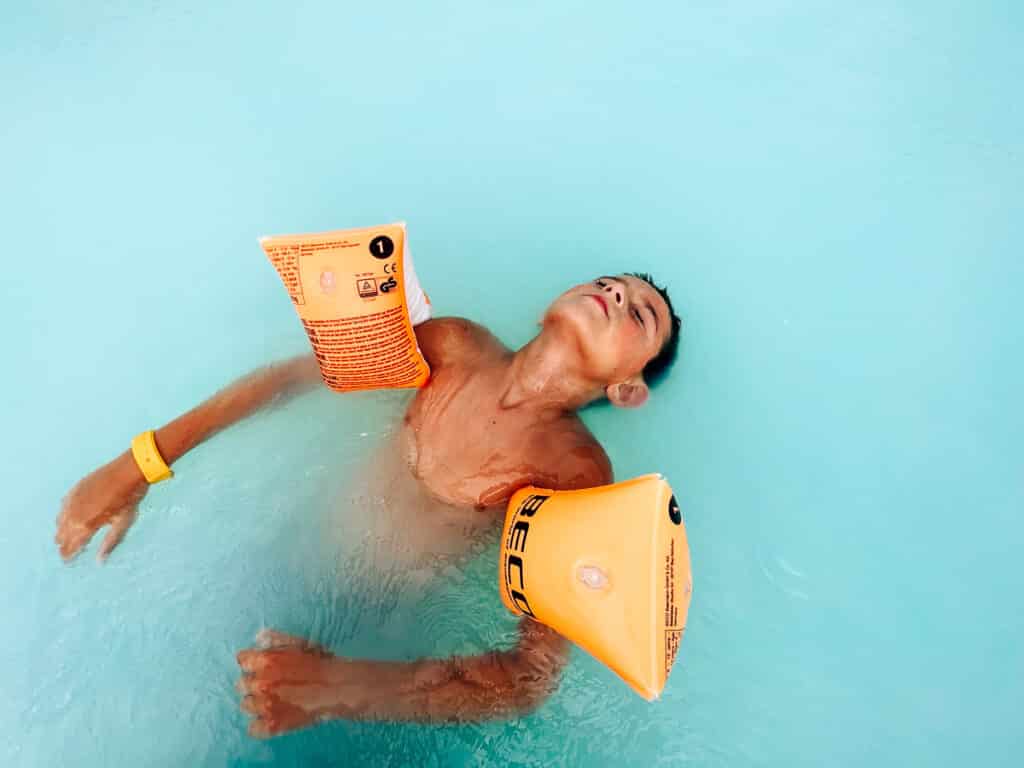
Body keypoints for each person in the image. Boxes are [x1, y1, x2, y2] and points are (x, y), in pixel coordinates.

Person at [55, 273, 682, 737]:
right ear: (554, 300)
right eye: (611, 284)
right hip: (276, 555)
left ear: (627, 390)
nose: (619, 296)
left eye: (641, 316)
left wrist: (336, 686)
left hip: (362, 636)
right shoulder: (454, 343)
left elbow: (532, 675)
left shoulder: (576, 474)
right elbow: (291, 380)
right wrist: (138, 465)